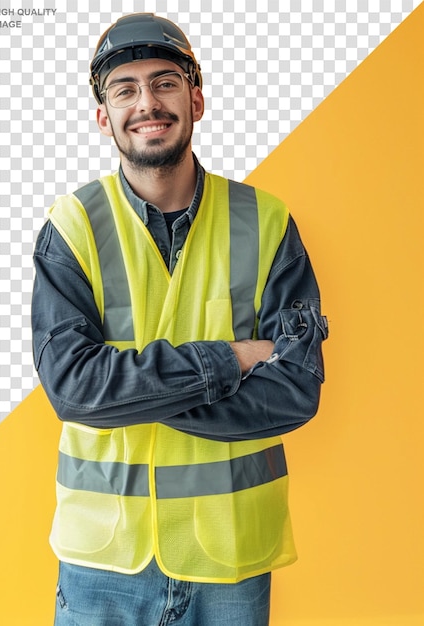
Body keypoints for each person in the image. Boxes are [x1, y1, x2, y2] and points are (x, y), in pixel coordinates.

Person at [32, 12, 328, 626]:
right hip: (104, 562)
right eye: (126, 89)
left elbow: (295, 390)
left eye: (165, 83)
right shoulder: (73, 227)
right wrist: (236, 358)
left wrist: (128, 393)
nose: (147, 103)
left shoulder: (267, 223)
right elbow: (73, 388)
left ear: (195, 98)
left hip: (230, 559)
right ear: (103, 117)